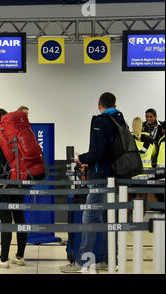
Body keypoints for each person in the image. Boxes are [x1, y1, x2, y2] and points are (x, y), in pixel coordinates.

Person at [60, 92, 126, 273]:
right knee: (108, 218)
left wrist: (82, 158)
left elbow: (97, 152)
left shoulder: (101, 121)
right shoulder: (120, 121)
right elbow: (108, 151)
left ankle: (84, 262)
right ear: (114, 103)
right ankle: (108, 259)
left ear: (99, 104)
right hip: (116, 176)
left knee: (89, 216)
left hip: (101, 177)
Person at [0, 108, 27, 268]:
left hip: (3, 184)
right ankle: (20, 256)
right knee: (19, 218)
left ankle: (3, 259)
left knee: (5, 221)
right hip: (19, 181)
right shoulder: (17, 134)